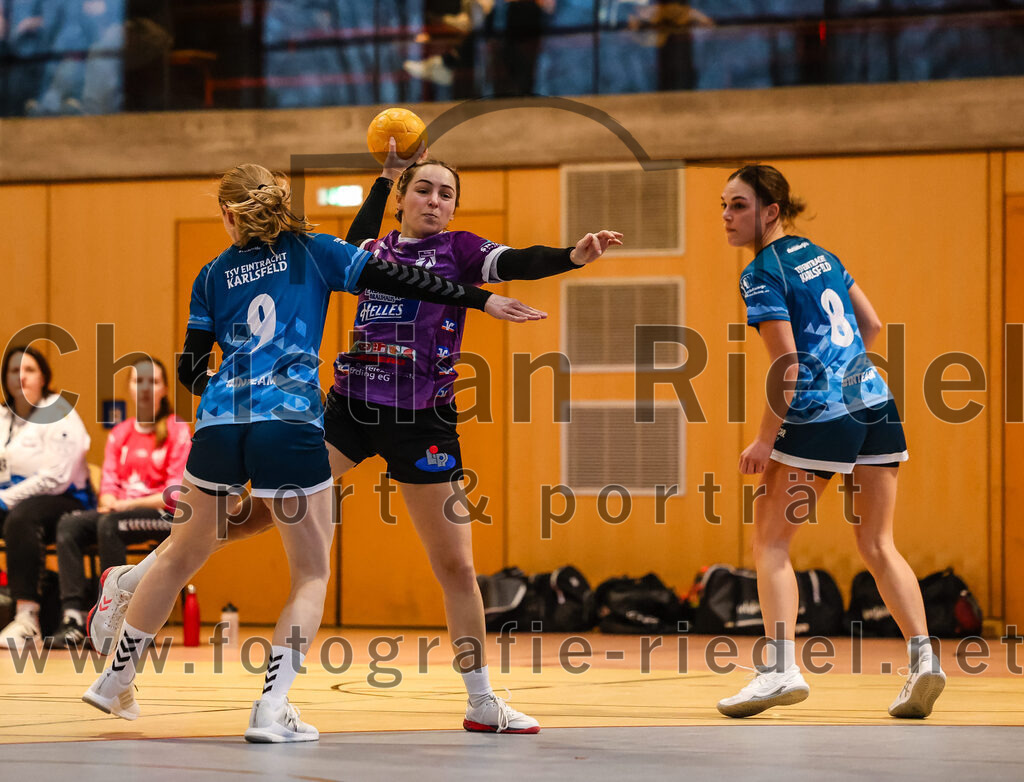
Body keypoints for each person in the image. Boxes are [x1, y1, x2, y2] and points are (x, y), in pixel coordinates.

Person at [87, 146, 621, 734]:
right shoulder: (365, 250)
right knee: (253, 519)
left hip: (422, 420)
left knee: (456, 565)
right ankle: (135, 581)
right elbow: (357, 237)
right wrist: (382, 179)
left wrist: (572, 256)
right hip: (350, 409)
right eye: (423, 189)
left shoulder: (461, 250)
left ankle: (481, 699)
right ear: (401, 200)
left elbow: (521, 259)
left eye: (446, 193)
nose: (435, 201)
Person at [715, 164, 945, 719]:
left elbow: (790, 367)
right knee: (878, 544)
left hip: (822, 411)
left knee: (770, 544)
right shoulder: (823, 255)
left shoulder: (761, 273)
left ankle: (780, 669)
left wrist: (766, 441)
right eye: (722, 205)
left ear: (771, 211)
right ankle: (924, 661)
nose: (726, 216)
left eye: (739, 205)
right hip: (874, 402)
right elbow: (872, 325)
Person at [49, 357, 189, 649]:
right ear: (129, 388)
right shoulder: (120, 432)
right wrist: (111, 500)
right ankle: (73, 617)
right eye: (139, 381)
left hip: (162, 515)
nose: (146, 387)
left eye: (154, 381)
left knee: (110, 524)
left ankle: (121, 619)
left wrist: (121, 506)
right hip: (118, 513)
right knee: (69, 525)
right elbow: (110, 483)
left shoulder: (176, 429)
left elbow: (175, 492)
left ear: (164, 389)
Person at [0, 345, 93, 648]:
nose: (21, 377)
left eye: (29, 370)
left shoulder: (58, 410)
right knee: (18, 513)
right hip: (13, 499)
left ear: (43, 377)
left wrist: (7, 498)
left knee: (21, 517)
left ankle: (27, 618)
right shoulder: (2, 416)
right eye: (14, 370)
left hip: (64, 500)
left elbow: (56, 477)